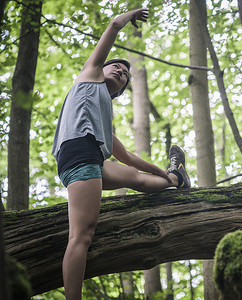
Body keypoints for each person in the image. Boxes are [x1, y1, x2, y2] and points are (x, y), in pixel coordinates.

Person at [52, 7, 190, 300]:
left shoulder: (102, 111)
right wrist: (129, 16)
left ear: (120, 90)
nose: (120, 70)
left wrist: (162, 171)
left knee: (133, 177)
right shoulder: (89, 79)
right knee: (81, 236)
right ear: (100, 70)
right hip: (79, 155)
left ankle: (177, 177)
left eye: (125, 74)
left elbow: (127, 157)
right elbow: (113, 26)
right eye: (115, 67)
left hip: (91, 158)